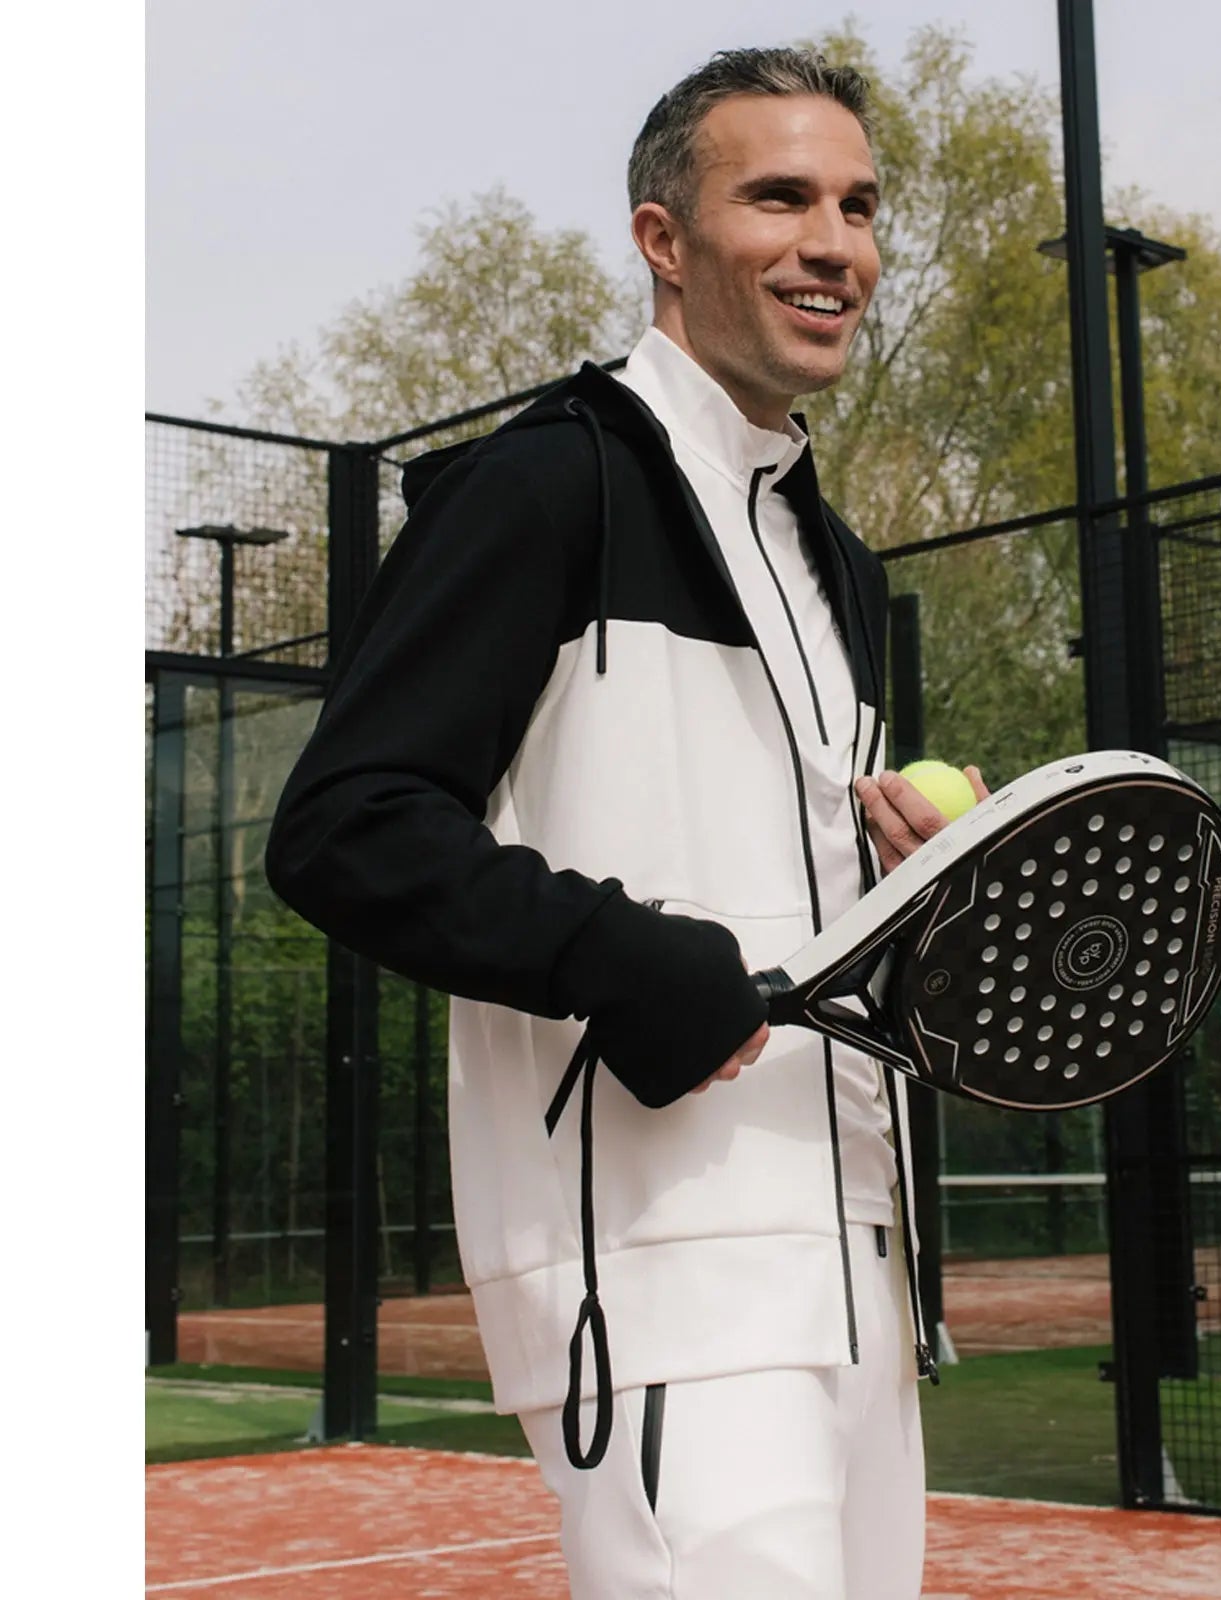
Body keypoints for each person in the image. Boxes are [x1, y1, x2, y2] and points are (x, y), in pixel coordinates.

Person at [265, 44, 986, 1600]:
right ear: (664, 239)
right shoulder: (541, 487)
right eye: (778, 196)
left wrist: (905, 886)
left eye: (858, 205)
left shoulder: (835, 562)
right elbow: (348, 825)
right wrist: (628, 955)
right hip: (658, 1268)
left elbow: (757, 865)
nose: (834, 242)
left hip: (861, 1263)